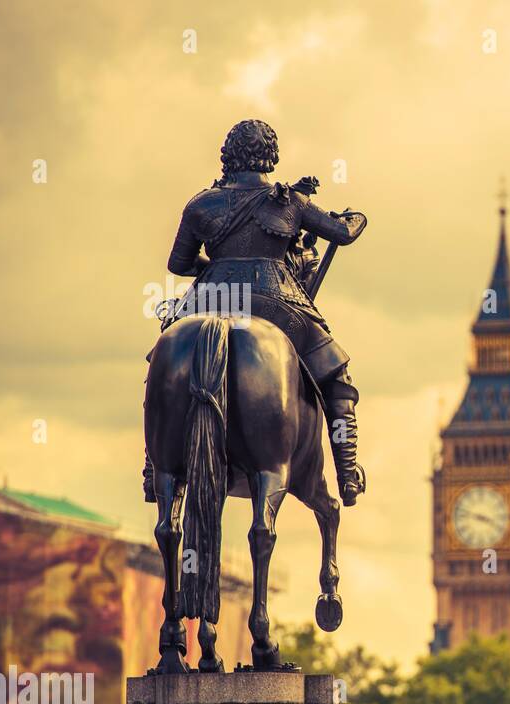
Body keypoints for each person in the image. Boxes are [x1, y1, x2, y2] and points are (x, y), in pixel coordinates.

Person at [143, 119, 368, 506]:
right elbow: (343, 233)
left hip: (209, 298)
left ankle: (152, 468)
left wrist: (214, 267)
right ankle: (348, 474)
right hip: (275, 302)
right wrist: (358, 217)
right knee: (335, 372)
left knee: (160, 365)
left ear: (228, 154)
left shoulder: (201, 204)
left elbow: (178, 264)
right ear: (271, 156)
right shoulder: (289, 202)